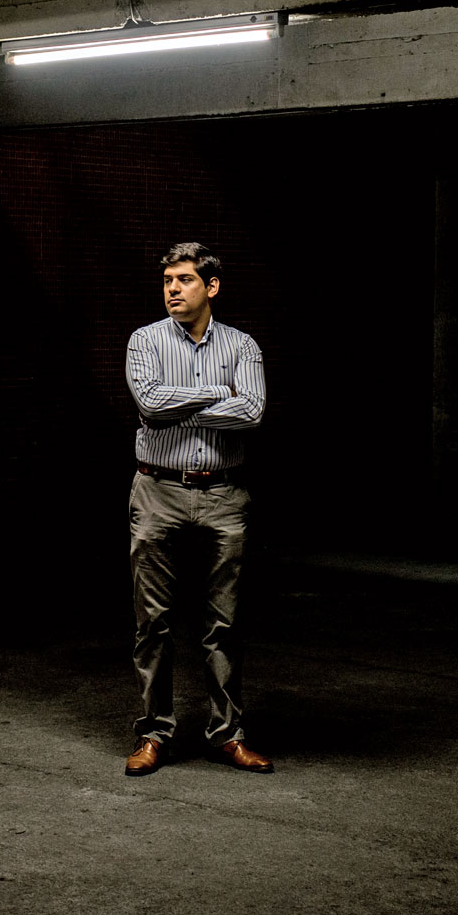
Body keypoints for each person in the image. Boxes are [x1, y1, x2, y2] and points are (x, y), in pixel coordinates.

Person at [123, 242, 271, 776]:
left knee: (223, 623)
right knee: (153, 623)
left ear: (211, 287)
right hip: (157, 492)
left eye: (183, 280)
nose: (172, 289)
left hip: (224, 497)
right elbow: (149, 405)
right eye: (167, 281)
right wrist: (214, 392)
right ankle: (154, 735)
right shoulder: (144, 341)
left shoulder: (243, 345)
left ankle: (227, 735)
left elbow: (251, 411)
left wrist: (179, 400)